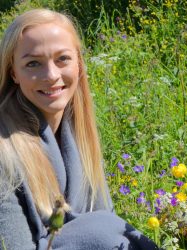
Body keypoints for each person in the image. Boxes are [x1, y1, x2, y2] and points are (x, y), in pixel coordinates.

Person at [0, 9, 158, 250]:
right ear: (14, 72)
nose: (51, 75)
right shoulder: (4, 151)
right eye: (33, 63)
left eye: (62, 59)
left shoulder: (79, 136)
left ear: (79, 63)